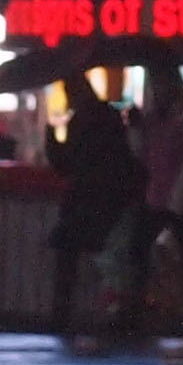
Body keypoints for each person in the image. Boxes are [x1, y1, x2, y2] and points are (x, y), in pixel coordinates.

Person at [44, 83, 139, 338]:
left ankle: (62, 316)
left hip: (85, 201)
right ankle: (117, 315)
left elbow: (64, 164)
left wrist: (51, 134)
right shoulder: (108, 117)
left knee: (69, 259)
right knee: (112, 263)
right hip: (109, 202)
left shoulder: (80, 121)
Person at [130, 73, 183, 337]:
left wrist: (177, 200)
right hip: (162, 198)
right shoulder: (157, 120)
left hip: (175, 200)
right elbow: (143, 154)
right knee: (180, 258)